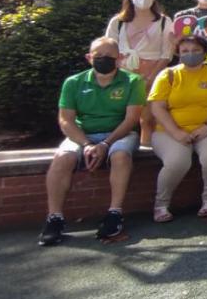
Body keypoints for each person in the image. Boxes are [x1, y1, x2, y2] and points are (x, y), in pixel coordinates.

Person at [38, 37, 145, 246]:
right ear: (89, 58)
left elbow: (131, 119)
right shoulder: (73, 82)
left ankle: (114, 214)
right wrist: (87, 144)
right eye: (98, 56)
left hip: (119, 134)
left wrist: (105, 144)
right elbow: (66, 120)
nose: (104, 59)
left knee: (121, 156)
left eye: (109, 56)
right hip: (82, 134)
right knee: (62, 158)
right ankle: (54, 218)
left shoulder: (133, 81)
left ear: (119, 58)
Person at [148, 35, 207, 222]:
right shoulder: (167, 75)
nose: (190, 54)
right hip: (169, 132)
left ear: (205, 53)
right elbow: (157, 107)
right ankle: (161, 205)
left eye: (196, 50)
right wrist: (176, 132)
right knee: (177, 162)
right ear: (178, 53)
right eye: (185, 51)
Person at [106, 0, 174, 143]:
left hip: (153, 74)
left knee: (148, 119)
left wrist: (150, 78)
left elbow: (167, 53)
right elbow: (108, 48)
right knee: (120, 117)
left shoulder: (164, 22)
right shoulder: (118, 22)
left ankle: (148, 147)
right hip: (123, 75)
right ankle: (114, 147)